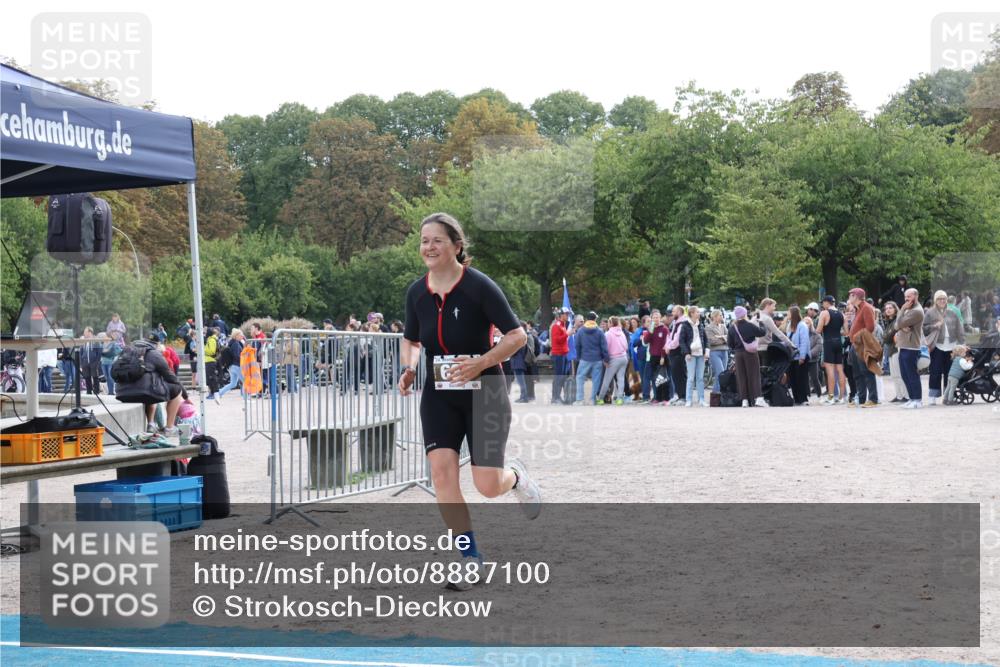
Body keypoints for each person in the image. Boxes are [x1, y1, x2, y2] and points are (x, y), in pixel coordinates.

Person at [398, 212, 540, 589]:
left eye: (437, 240)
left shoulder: (479, 286)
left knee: (487, 486)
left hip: (485, 393)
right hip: (439, 395)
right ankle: (469, 557)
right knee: (442, 475)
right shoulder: (416, 292)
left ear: (457, 246)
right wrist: (410, 368)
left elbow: (517, 336)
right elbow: (411, 341)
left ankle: (516, 478)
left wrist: (481, 362)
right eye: (424, 240)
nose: (429, 247)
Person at [130, 338, 184, 437]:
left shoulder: (129, 352)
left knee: (149, 391)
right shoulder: (154, 354)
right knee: (176, 391)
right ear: (157, 344)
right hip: (143, 392)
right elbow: (171, 377)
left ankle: (151, 424)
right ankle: (169, 428)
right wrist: (186, 395)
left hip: (123, 393)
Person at [923, 290, 965, 405]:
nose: (942, 301)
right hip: (937, 346)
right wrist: (934, 326)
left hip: (952, 347)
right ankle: (933, 396)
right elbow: (924, 329)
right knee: (935, 372)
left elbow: (959, 329)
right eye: (939, 299)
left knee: (950, 373)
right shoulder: (930, 313)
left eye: (944, 299)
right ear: (935, 300)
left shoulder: (952, 312)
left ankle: (948, 397)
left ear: (947, 300)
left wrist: (963, 343)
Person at [847, 288, 880, 408]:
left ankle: (873, 399)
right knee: (857, 373)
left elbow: (870, 327)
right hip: (855, 344)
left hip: (862, 344)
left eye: (851, 295)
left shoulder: (866, 307)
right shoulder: (859, 308)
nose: (849, 297)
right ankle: (861, 399)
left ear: (856, 296)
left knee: (866, 372)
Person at [727, 306, 766, 407]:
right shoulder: (749, 325)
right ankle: (757, 398)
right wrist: (761, 323)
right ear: (744, 314)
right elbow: (762, 332)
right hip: (750, 353)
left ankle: (744, 400)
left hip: (738, 354)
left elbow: (729, 343)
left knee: (741, 376)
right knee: (754, 375)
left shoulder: (732, 328)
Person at [894, 288, 925, 409]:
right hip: (904, 345)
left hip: (911, 347)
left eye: (909, 296)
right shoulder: (910, 309)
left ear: (916, 296)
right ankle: (912, 398)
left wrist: (901, 310)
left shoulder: (916, 311)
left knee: (912, 375)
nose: (906, 299)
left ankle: (917, 400)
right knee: (905, 375)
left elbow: (899, 323)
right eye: (905, 296)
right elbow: (897, 324)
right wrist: (901, 325)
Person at [817, 295, 846, 404]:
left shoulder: (824, 313)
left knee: (830, 371)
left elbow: (819, 330)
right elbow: (846, 332)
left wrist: (813, 329)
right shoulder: (841, 314)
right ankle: (842, 397)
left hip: (829, 343)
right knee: (840, 369)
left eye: (823, 303)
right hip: (839, 342)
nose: (822, 305)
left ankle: (831, 397)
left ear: (826, 302)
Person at [575, 311, 609, 405]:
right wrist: (606, 359)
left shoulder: (581, 331)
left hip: (584, 358)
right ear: (595, 319)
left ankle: (580, 399)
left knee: (580, 378)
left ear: (586, 319)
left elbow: (577, 345)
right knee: (596, 380)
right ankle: (592, 400)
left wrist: (578, 357)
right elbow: (604, 347)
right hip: (597, 359)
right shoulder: (599, 331)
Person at [678, 306, 710, 407]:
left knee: (700, 378)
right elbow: (681, 340)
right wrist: (686, 352)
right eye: (697, 312)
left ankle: (701, 399)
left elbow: (705, 339)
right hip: (691, 354)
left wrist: (706, 352)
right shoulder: (685, 325)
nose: (699, 314)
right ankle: (689, 399)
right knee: (691, 378)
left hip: (700, 354)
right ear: (691, 313)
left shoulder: (700, 324)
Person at [598, 316, 629, 405]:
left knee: (606, 380)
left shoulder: (608, 334)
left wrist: (605, 360)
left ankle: (600, 398)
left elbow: (605, 348)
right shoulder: (622, 333)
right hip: (623, 358)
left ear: (611, 323)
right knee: (621, 379)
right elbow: (626, 346)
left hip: (613, 359)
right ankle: (619, 399)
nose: (607, 323)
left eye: (608, 322)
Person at [641, 310, 670, 404]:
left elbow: (665, 343)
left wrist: (663, 356)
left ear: (660, 318)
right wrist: (650, 331)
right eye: (654, 317)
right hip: (653, 356)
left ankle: (666, 398)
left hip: (662, 356)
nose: (656, 319)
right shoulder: (651, 328)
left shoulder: (664, 329)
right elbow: (645, 341)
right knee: (654, 378)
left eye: (657, 317)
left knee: (663, 378)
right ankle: (657, 397)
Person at [882, 301, 907, 403]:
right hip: (891, 351)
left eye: (890, 308)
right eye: (886, 308)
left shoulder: (897, 321)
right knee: (894, 375)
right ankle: (899, 395)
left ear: (895, 309)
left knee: (899, 374)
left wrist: (887, 336)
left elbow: (887, 337)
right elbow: (886, 337)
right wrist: (887, 336)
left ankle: (905, 396)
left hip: (897, 349)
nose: (888, 310)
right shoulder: (889, 322)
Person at [787, 306, 811, 405]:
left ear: (793, 314)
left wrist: (802, 356)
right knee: (793, 378)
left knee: (801, 378)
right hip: (792, 357)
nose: (787, 315)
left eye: (788, 313)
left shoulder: (802, 326)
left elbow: (804, 342)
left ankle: (804, 399)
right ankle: (797, 399)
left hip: (801, 357)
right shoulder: (789, 325)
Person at [549, 308, 572, 405]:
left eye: (568, 314)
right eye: (566, 314)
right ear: (561, 315)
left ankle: (558, 397)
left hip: (563, 354)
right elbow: (557, 340)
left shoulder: (562, 325)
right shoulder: (556, 326)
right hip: (558, 354)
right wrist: (567, 334)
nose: (567, 316)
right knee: (558, 377)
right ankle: (555, 397)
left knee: (562, 377)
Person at [665, 305, 687, 405]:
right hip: (673, 352)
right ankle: (679, 395)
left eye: (674, 311)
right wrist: (667, 345)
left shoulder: (682, 323)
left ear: (679, 312)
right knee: (675, 374)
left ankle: (683, 396)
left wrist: (669, 347)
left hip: (678, 352)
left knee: (680, 375)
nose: (672, 314)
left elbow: (677, 340)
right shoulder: (675, 323)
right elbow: (670, 336)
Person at [217, 328, 246, 400]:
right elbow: (236, 355)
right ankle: (246, 398)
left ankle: (220, 393)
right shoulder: (236, 344)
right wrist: (243, 360)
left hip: (232, 366)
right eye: (241, 335)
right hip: (237, 365)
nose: (242, 336)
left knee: (233, 384)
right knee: (245, 381)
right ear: (236, 336)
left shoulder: (232, 343)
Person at [705, 309, 728, 395]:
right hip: (714, 352)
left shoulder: (723, 326)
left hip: (725, 351)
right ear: (714, 317)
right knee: (720, 373)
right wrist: (724, 339)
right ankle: (717, 393)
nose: (722, 317)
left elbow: (729, 338)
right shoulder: (708, 327)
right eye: (720, 315)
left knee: (723, 374)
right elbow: (711, 341)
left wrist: (720, 337)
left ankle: (717, 394)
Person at [805, 316, 824, 398]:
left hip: (813, 360)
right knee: (805, 378)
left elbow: (819, 346)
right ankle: (807, 395)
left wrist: (809, 353)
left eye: (807, 323)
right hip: (803, 360)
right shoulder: (800, 334)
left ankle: (820, 395)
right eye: (804, 323)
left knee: (814, 378)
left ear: (811, 324)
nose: (806, 325)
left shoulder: (816, 334)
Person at [203, 327, 221, 400]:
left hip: (210, 360)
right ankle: (212, 393)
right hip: (208, 360)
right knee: (209, 378)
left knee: (212, 378)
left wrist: (204, 350)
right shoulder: (211, 339)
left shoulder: (211, 340)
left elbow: (212, 351)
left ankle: (214, 393)